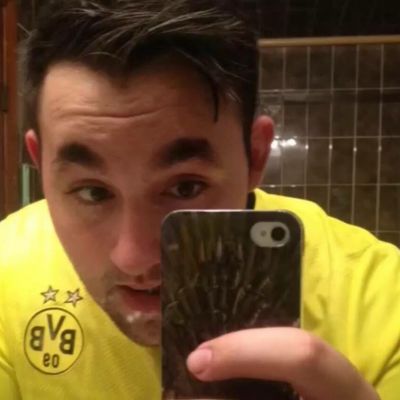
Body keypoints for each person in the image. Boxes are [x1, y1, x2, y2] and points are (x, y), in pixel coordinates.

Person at [0, 0, 398, 398]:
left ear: (256, 155)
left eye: (185, 187)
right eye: (93, 192)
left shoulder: (381, 298)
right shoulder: (6, 277)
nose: (133, 258)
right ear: (40, 162)